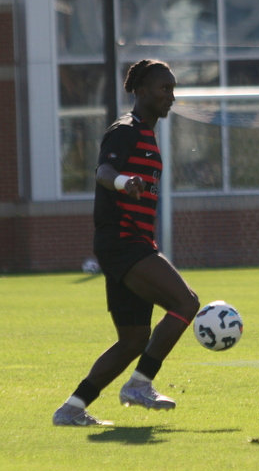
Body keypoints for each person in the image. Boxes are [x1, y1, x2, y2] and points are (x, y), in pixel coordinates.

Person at [53, 59, 200, 426]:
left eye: (173, 88)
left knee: (133, 341)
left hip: (127, 242)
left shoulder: (148, 135)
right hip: (124, 241)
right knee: (186, 302)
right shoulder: (126, 129)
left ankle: (71, 408)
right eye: (165, 89)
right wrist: (123, 182)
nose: (171, 96)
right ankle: (140, 383)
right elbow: (103, 171)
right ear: (143, 91)